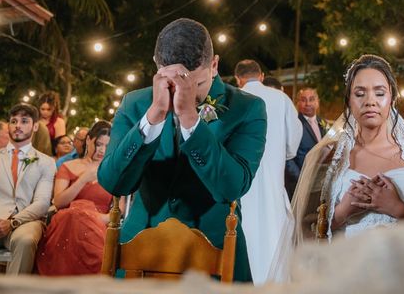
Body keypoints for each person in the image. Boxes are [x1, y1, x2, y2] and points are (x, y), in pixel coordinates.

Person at [97, 18, 267, 282]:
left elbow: (232, 187)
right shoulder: (135, 103)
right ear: (157, 66)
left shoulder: (247, 108)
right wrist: (153, 117)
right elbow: (113, 182)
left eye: (195, 85)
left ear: (214, 65)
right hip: (140, 252)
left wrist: (190, 119)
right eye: (174, 84)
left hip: (216, 254)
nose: (183, 93)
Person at [290, 55, 404, 250]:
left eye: (379, 93)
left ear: (392, 99)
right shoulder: (330, 156)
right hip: (347, 269)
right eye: (360, 93)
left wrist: (399, 209)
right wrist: (343, 211)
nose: (370, 101)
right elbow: (304, 232)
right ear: (348, 101)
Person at [234, 59, 302, 284]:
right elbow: (293, 145)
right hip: (272, 186)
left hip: (239, 189)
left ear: (237, 79)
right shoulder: (281, 99)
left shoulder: (231, 98)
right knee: (273, 242)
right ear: (261, 76)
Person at [0, 104, 56, 274]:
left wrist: (12, 222)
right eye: (13, 121)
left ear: (35, 126)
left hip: (25, 223)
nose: (18, 125)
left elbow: (42, 202)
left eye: (24, 121)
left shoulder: (46, 162)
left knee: (26, 241)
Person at [36, 121, 113, 275]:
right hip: (68, 220)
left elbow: (122, 206)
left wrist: (101, 218)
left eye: (107, 146)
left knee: (85, 226)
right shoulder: (68, 166)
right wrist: (82, 180)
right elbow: (58, 202)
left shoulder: (113, 169)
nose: (102, 150)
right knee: (74, 216)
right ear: (89, 140)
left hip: (99, 221)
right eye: (98, 144)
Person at [285, 87, 327, 199]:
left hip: (319, 181)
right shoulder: (294, 123)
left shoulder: (322, 122)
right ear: (297, 103)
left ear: (317, 102)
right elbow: (288, 156)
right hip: (299, 182)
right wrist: (300, 178)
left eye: (311, 99)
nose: (308, 103)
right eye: (303, 100)